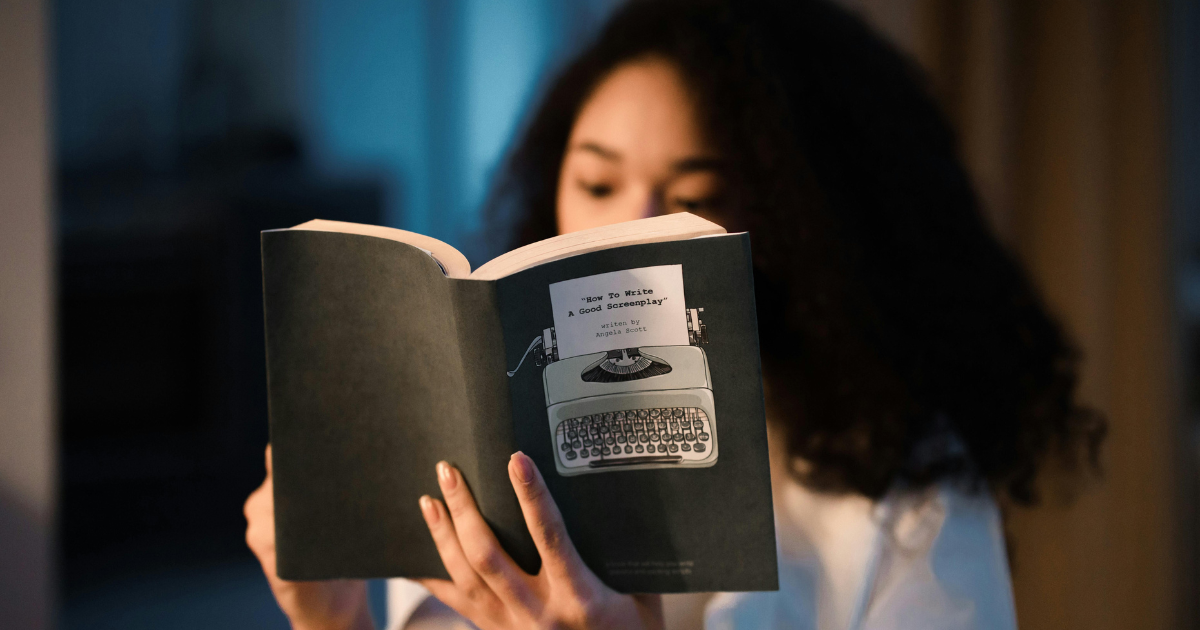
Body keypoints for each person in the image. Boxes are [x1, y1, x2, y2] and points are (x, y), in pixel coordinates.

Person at [244, 0, 1106, 628]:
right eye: (596, 182)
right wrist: (335, 621)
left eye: (693, 197)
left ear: (799, 225)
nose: (632, 232)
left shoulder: (907, 498)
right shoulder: (474, 449)